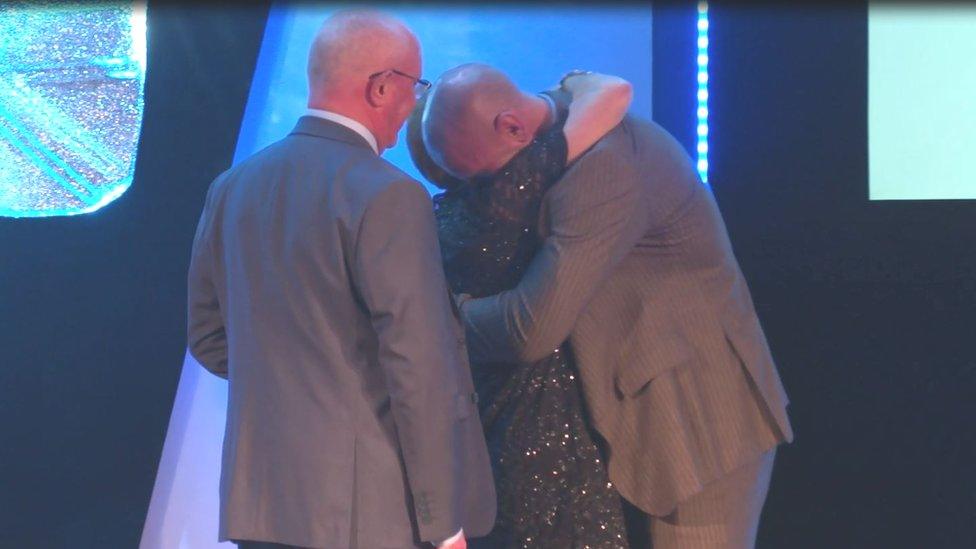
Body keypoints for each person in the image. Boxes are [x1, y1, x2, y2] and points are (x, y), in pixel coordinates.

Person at [421, 63, 794, 549]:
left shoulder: (607, 166)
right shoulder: (562, 124)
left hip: (693, 425)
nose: (489, 196)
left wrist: (439, 321)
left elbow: (532, 328)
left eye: (484, 177)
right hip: (635, 417)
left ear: (512, 127)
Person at [186, 12, 494, 549]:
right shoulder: (388, 195)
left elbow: (208, 337)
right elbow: (416, 366)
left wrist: (301, 386)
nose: (414, 103)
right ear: (380, 87)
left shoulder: (232, 187)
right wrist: (443, 524)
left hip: (261, 506)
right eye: (416, 85)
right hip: (366, 517)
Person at [407, 66, 633, 548]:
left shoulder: (431, 224)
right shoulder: (516, 188)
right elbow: (613, 92)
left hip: (468, 449)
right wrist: (559, 92)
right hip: (546, 439)